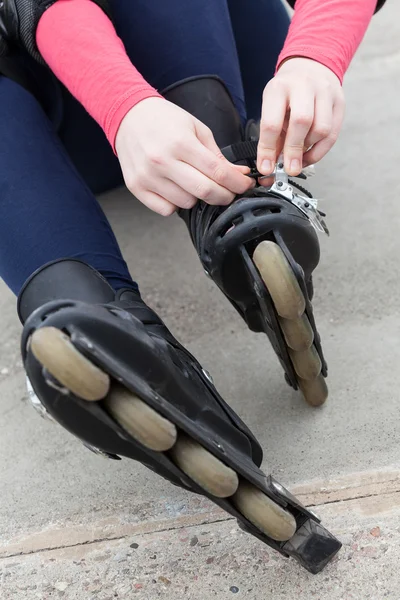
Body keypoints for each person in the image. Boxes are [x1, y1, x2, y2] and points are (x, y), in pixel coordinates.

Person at [0, 0, 385, 572]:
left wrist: (314, 55)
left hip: (195, 86)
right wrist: (125, 107)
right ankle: (239, 213)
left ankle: (86, 309)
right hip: (107, 114)